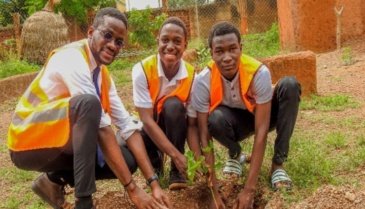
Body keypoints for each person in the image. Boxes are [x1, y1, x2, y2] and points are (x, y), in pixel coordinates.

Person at [7, 7, 171, 209]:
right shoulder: (73, 58)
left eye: (119, 42)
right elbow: (103, 129)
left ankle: (51, 181)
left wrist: (153, 183)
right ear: (91, 32)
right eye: (107, 35)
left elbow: (127, 126)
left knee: (127, 160)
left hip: (56, 140)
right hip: (26, 141)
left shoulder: (101, 74)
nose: (112, 45)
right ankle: (84, 203)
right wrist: (133, 190)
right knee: (89, 105)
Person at [192, 21, 301, 209]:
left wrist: (249, 190)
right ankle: (236, 155)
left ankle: (278, 165)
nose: (227, 57)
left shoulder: (259, 73)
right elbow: (203, 135)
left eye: (232, 49)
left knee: (290, 85)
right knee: (213, 120)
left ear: (241, 48)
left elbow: (262, 130)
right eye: (219, 51)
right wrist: (213, 190)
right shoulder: (203, 81)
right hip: (233, 121)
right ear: (211, 53)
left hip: (261, 115)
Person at [132, 17, 200, 190]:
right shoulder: (142, 70)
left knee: (174, 105)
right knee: (132, 137)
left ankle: (176, 172)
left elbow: (192, 124)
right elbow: (146, 120)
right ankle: (156, 163)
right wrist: (176, 155)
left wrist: (198, 160)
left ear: (185, 45)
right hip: (148, 128)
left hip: (174, 127)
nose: (170, 46)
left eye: (177, 41)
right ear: (158, 41)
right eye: (165, 40)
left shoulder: (192, 77)